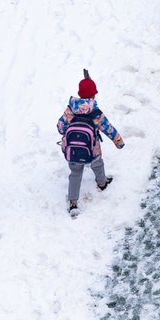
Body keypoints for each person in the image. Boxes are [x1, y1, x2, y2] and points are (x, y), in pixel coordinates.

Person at [57, 77, 125, 216]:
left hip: (73, 152)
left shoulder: (70, 109)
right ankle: (102, 183)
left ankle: (73, 203)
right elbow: (108, 128)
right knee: (98, 165)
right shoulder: (95, 113)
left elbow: (60, 127)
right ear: (93, 94)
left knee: (75, 173)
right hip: (92, 150)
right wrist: (118, 142)